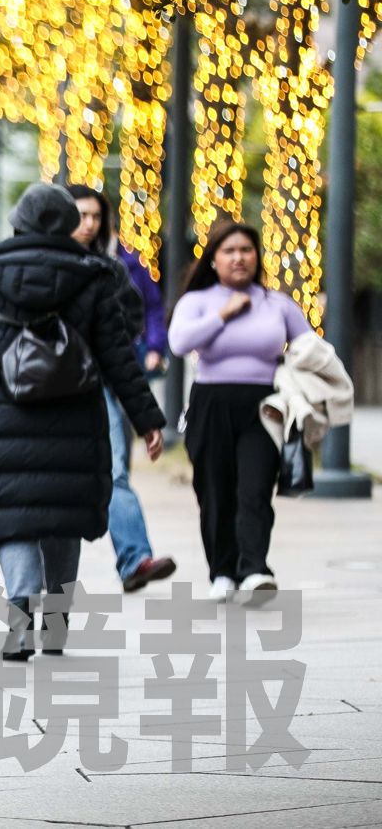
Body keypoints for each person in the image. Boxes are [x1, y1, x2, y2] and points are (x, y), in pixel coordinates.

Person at [0, 185, 165, 661]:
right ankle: (57, 623)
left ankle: (19, 618)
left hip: (2, 415)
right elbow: (118, 356)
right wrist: (146, 419)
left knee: (14, 519)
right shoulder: (94, 275)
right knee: (62, 518)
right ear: (67, 223)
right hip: (74, 414)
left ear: (18, 221)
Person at [168, 222, 312, 603]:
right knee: (214, 491)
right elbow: (179, 342)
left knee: (255, 488)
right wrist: (223, 315)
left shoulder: (276, 303)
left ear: (257, 257)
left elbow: (310, 348)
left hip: (265, 408)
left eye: (246, 250)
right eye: (229, 251)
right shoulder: (198, 302)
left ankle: (254, 569)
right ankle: (222, 572)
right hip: (211, 404)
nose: (238, 258)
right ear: (213, 260)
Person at [67, 185, 177, 593]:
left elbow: (144, 311)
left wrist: (150, 348)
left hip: (103, 385)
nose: (90, 223)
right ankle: (40, 593)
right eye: (81, 214)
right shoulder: (38, 264)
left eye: (96, 215)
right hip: (49, 392)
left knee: (114, 474)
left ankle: (134, 559)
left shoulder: (118, 265)